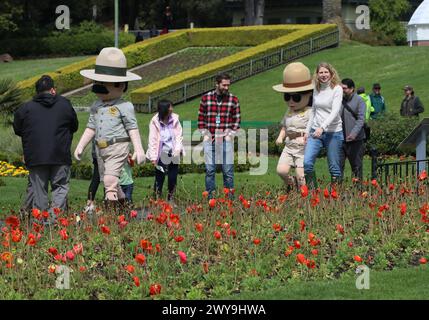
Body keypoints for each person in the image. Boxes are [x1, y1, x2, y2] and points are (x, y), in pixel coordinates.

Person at [74, 47, 145, 209]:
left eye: (103, 83)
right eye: (98, 82)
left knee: (109, 181)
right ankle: (124, 207)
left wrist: (139, 149)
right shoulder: (96, 105)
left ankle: (111, 218)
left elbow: (132, 128)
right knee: (112, 181)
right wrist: (81, 145)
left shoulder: (124, 106)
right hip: (101, 150)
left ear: (120, 85)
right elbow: (91, 127)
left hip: (117, 146)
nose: (99, 86)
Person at [13, 75, 78, 213]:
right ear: (53, 90)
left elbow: (18, 129)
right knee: (60, 187)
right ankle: (54, 221)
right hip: (60, 154)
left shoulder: (26, 108)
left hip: (36, 156)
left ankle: (40, 222)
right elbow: (74, 126)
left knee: (39, 190)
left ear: (37, 92)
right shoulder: (65, 104)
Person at [198, 73, 241, 199]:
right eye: (224, 85)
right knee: (210, 170)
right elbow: (201, 119)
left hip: (225, 140)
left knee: (227, 171)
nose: (227, 87)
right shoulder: (206, 99)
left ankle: (229, 201)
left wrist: (231, 135)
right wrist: (204, 134)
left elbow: (237, 121)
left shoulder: (233, 100)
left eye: (228, 85)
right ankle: (210, 199)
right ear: (217, 84)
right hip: (210, 139)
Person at [272, 62, 314, 190]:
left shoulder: (310, 111)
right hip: (289, 145)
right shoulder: (289, 111)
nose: (290, 101)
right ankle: (292, 186)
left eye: (296, 97)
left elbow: (313, 128)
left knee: (301, 175)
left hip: (302, 147)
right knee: (281, 171)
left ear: (308, 94)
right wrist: (280, 137)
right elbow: (284, 126)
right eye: (287, 96)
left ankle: (305, 197)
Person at [303, 62, 344, 188]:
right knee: (307, 163)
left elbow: (335, 111)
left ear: (331, 73)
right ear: (317, 74)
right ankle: (312, 193)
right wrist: (307, 131)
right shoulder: (316, 88)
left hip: (333, 132)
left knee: (334, 168)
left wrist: (323, 127)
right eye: (321, 72)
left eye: (326, 72)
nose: (323, 75)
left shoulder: (337, 89)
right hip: (315, 132)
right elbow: (314, 110)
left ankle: (335, 195)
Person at [147, 100, 184, 203]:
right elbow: (152, 140)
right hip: (161, 152)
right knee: (160, 177)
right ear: (165, 109)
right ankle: (156, 198)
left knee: (172, 177)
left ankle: (170, 198)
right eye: (170, 107)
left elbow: (179, 136)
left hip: (173, 152)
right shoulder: (155, 121)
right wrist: (153, 157)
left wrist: (177, 150)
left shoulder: (175, 119)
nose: (172, 108)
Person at [340, 79, 367, 182]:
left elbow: (361, 119)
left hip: (356, 140)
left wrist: (353, 134)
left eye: (344, 88)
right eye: (341, 88)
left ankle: (358, 192)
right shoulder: (340, 100)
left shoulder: (359, 101)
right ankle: (337, 190)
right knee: (338, 167)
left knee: (356, 167)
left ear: (352, 89)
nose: (342, 90)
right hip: (341, 139)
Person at [84, 140, 103, 214]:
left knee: (96, 178)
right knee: (106, 179)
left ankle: (90, 203)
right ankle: (108, 203)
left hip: (97, 152)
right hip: (103, 152)